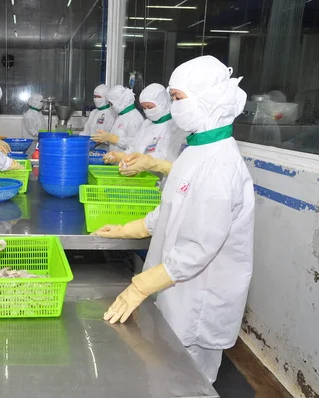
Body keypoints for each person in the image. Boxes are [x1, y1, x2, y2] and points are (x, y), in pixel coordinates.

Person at [92, 55, 254, 384]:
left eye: (178, 97)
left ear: (206, 100)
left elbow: (199, 247)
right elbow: (170, 209)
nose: (174, 105)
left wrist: (140, 285)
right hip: (174, 283)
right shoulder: (195, 149)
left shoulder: (221, 164)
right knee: (165, 368)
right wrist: (127, 230)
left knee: (189, 379)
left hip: (200, 294)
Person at [103, 83, 188, 174]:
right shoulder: (147, 123)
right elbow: (133, 149)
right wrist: (119, 156)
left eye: (150, 107)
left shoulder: (176, 127)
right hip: (141, 180)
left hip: (158, 182)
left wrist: (149, 163)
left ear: (163, 103)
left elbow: (172, 162)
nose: (147, 110)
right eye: (144, 108)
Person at [91, 85, 144, 151]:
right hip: (115, 159)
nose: (111, 106)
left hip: (125, 159)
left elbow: (134, 144)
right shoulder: (121, 116)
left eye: (112, 103)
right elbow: (114, 136)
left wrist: (114, 139)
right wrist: (106, 138)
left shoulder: (134, 118)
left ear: (120, 101)